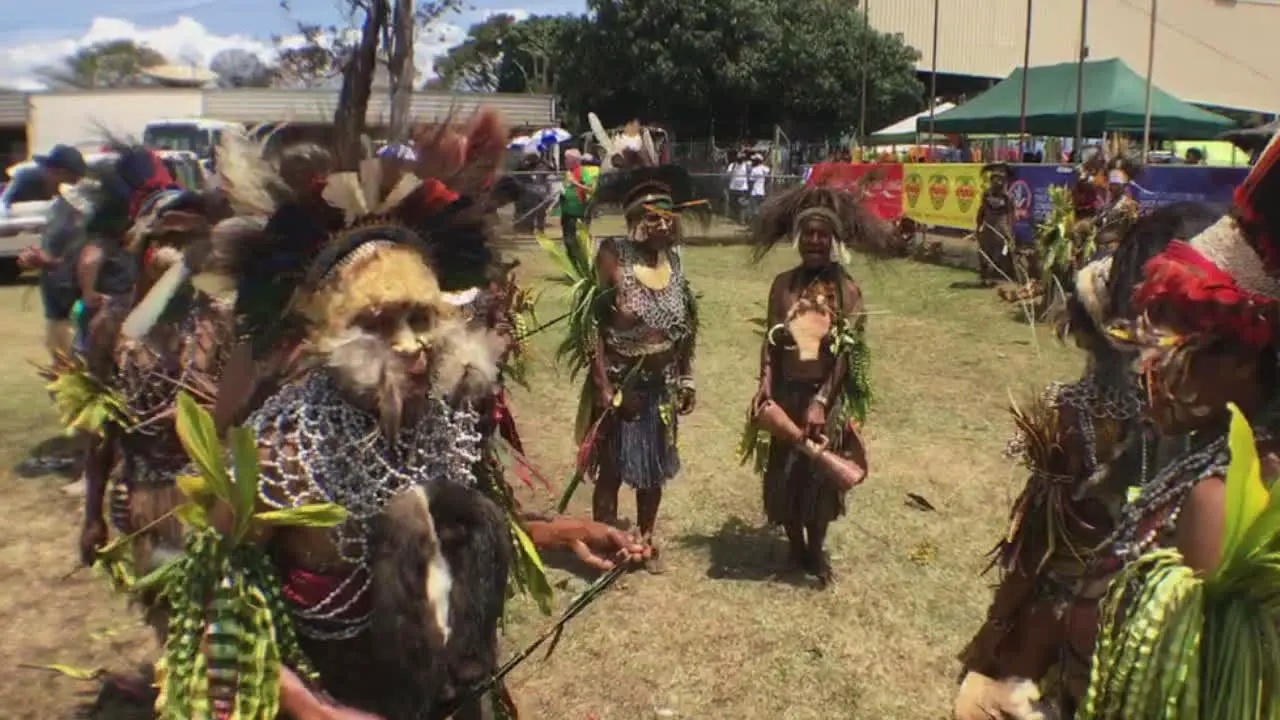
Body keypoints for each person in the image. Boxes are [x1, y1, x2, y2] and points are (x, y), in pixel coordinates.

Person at [950, 202, 1221, 720]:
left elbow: (1035, 541)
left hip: (1075, 629)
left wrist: (999, 627)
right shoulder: (1175, 418)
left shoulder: (1091, 415)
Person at [1071, 131, 1280, 717]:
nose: (1146, 364)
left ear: (1244, 358)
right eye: (1146, 332)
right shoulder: (1202, 461)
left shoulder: (1226, 495)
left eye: (1174, 338)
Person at [744, 182, 894, 586]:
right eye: (807, 233)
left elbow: (847, 353)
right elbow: (771, 341)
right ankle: (794, 545)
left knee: (820, 481)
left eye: (821, 234)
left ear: (832, 240)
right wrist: (765, 384)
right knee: (784, 475)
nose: (814, 240)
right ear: (798, 239)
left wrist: (822, 401)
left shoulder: (846, 290)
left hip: (821, 399)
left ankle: (815, 548)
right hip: (784, 395)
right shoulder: (782, 285)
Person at [570, 151, 707, 575]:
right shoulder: (613, 254)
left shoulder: (675, 262)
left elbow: (683, 326)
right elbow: (591, 326)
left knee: (653, 471)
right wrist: (604, 388)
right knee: (611, 470)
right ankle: (607, 539)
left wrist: (685, 377)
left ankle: (645, 537)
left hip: (660, 384)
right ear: (634, 218)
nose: (660, 224)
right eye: (650, 216)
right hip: (619, 383)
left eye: (667, 216)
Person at [14, 144, 89, 360]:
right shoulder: (58, 206)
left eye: (49, 169)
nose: (44, 174)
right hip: (57, 307)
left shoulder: (81, 210)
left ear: (62, 173)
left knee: (78, 378)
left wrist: (49, 261)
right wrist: (35, 257)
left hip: (76, 309)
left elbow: (87, 256)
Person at [974, 163, 1016, 287]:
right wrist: (978, 226)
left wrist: (1009, 232)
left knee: (1000, 253)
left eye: (1001, 179)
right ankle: (984, 277)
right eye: (995, 178)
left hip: (1001, 228)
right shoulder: (986, 194)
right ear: (991, 180)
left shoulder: (1007, 197)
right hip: (988, 227)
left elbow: (1010, 215)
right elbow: (981, 211)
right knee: (984, 252)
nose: (998, 182)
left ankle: (996, 276)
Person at [557, 148, 599, 260]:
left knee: (579, 240)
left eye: (566, 159)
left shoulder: (582, 171)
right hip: (566, 212)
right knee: (568, 240)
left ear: (573, 160)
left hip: (579, 212)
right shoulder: (568, 173)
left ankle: (583, 263)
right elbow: (567, 189)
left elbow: (591, 189)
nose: (564, 161)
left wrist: (575, 183)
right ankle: (573, 264)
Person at [726, 151, 749, 223]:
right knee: (733, 204)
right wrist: (732, 170)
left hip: (742, 188)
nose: (740, 160)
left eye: (742, 158)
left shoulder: (746, 165)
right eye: (739, 158)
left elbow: (750, 174)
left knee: (742, 204)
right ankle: (735, 218)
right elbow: (728, 174)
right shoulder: (732, 165)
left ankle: (742, 220)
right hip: (733, 187)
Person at [748, 153, 770, 221]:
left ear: (757, 161)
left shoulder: (754, 170)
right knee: (761, 209)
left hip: (755, 192)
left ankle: (756, 223)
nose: (753, 161)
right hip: (762, 192)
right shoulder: (766, 169)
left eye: (754, 160)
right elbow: (768, 178)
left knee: (755, 210)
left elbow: (751, 181)